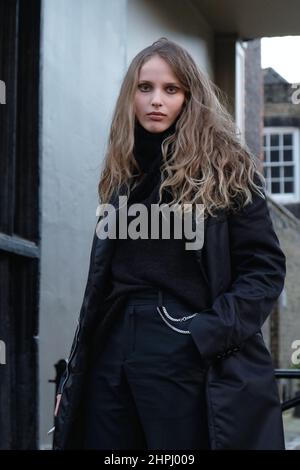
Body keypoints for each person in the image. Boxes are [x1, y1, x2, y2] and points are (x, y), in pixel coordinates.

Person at [52, 37, 286, 450]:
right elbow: (100, 289)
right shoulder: (123, 175)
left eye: (170, 89)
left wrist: (205, 333)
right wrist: (76, 374)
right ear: (131, 96)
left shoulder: (227, 169)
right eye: (145, 88)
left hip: (182, 338)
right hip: (113, 342)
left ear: (189, 98)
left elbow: (264, 270)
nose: (156, 100)